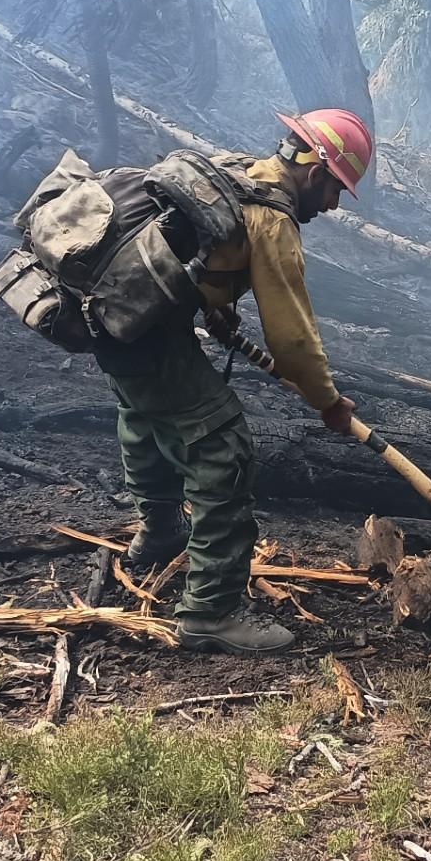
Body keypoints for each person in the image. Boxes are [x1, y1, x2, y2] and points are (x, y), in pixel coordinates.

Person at [99, 109, 373, 654]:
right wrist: (329, 404)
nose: (333, 204)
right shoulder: (273, 219)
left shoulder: (236, 170)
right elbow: (293, 339)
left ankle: (158, 531)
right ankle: (211, 611)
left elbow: (193, 253)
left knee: (145, 413)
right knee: (222, 446)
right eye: (336, 188)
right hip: (148, 331)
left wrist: (211, 304)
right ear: (316, 171)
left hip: (112, 317)